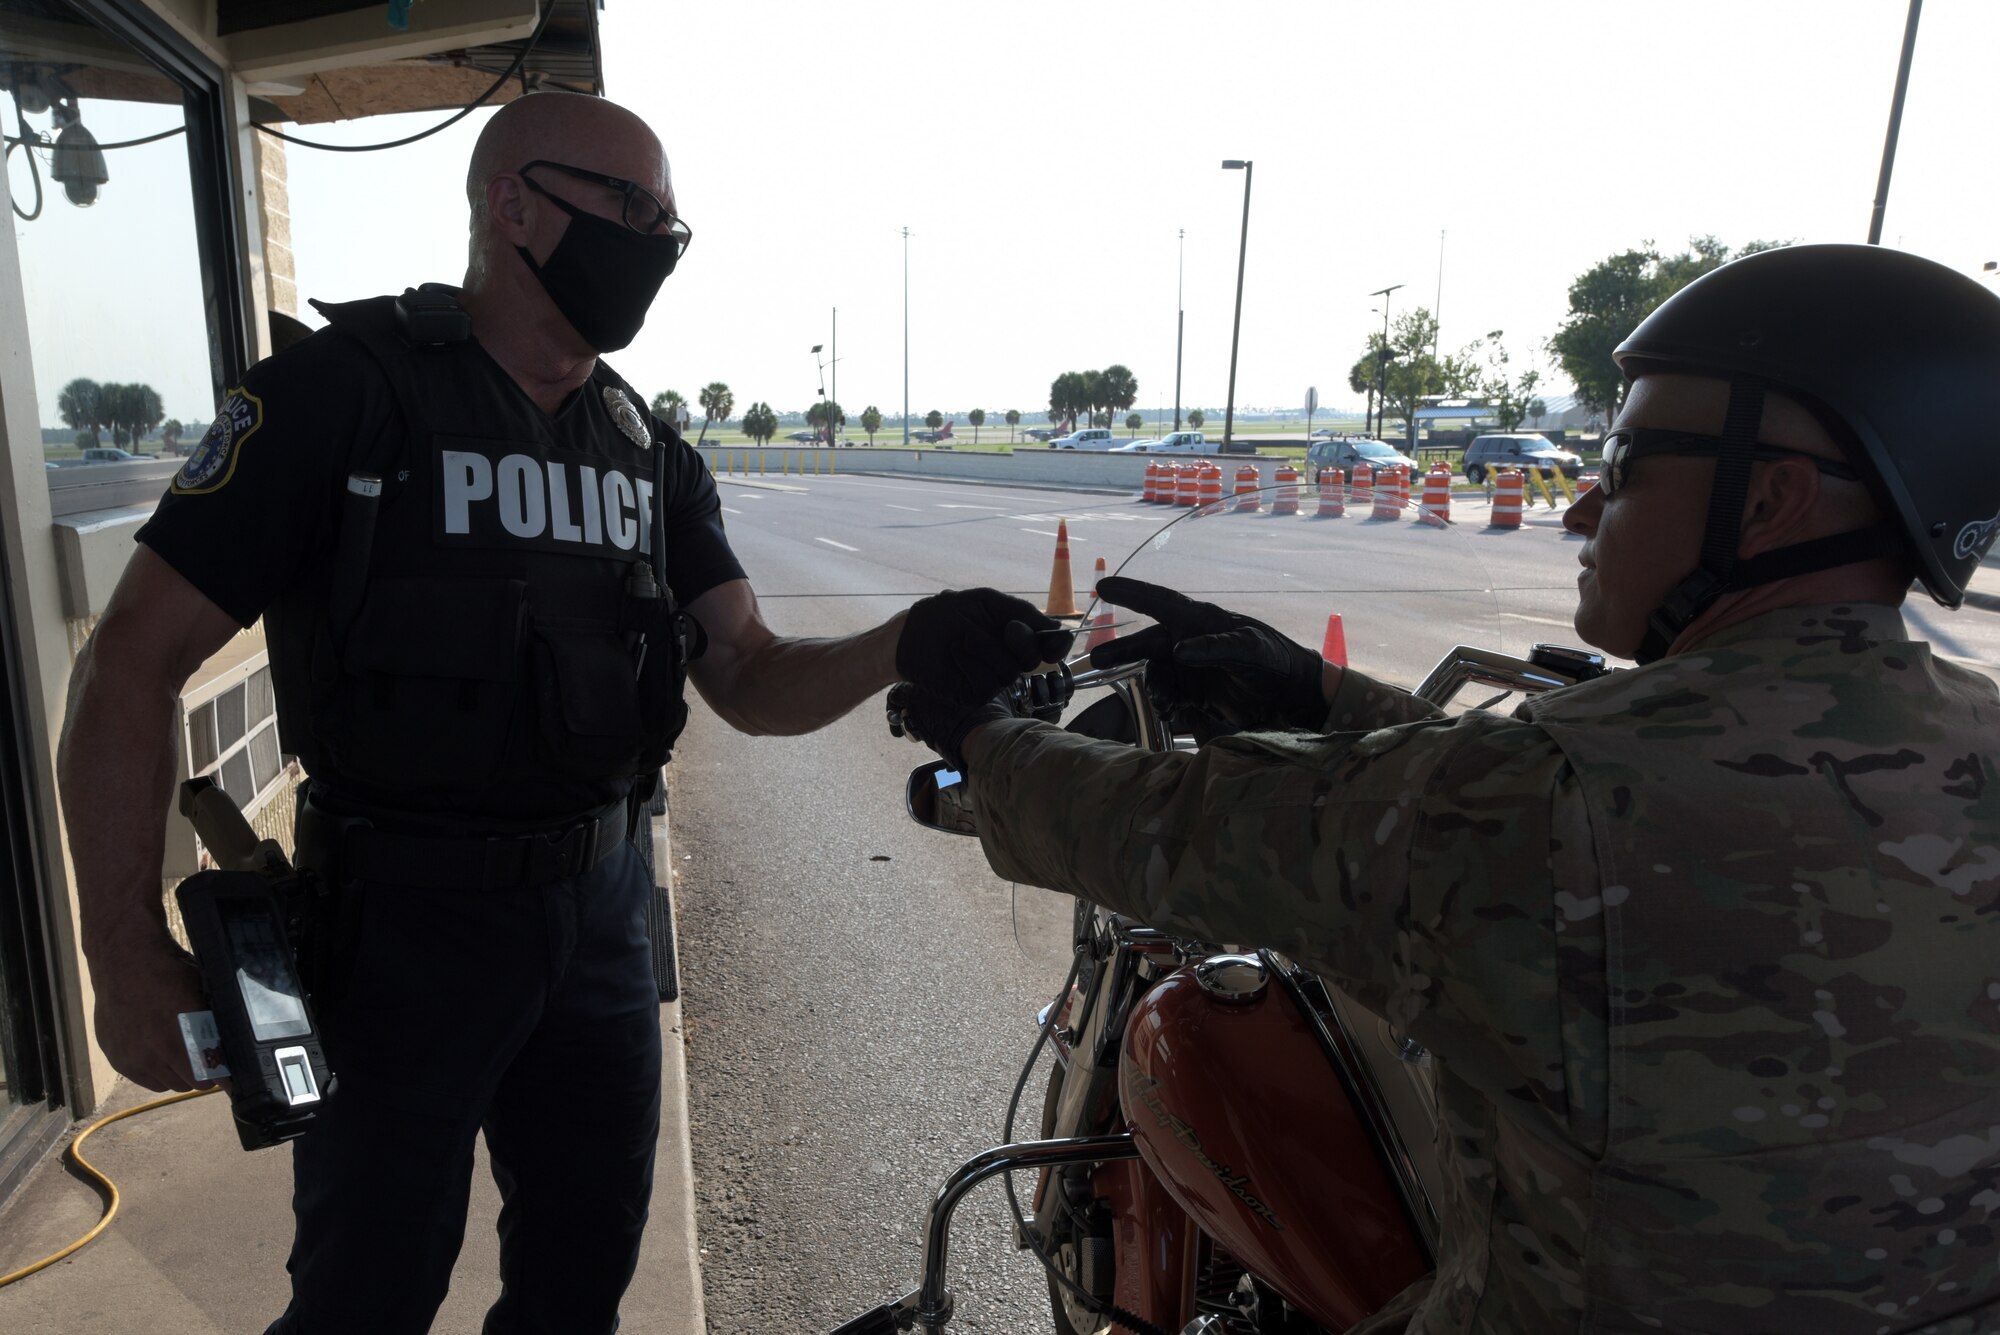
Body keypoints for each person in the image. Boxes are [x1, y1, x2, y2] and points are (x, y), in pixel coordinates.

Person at [55, 90, 1063, 1335]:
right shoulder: (338, 397)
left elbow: (745, 671)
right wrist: (118, 945)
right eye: (628, 205)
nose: (656, 238)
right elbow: (130, 665)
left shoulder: (646, 449)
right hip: (394, 937)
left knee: (579, 1283)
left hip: (595, 923)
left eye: (669, 219)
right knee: (365, 1297)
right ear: (510, 202)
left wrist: (903, 640)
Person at [894, 243, 2000, 1333]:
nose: (1575, 512)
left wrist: (980, 731)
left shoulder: (1534, 808)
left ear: (1767, 502)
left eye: (1617, 467)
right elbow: (1560, 812)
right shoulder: (1974, 734)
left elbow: (1156, 828)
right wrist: (1313, 691)